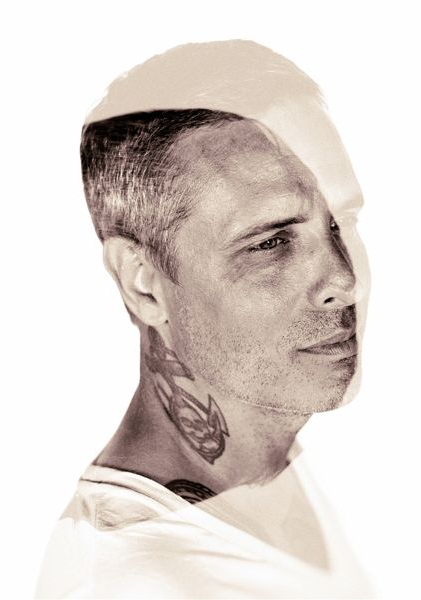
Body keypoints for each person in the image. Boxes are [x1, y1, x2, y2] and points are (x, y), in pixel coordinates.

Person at [35, 40, 373, 599]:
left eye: (343, 222)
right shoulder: (135, 581)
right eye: (271, 242)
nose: (344, 279)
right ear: (143, 283)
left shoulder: (281, 464)